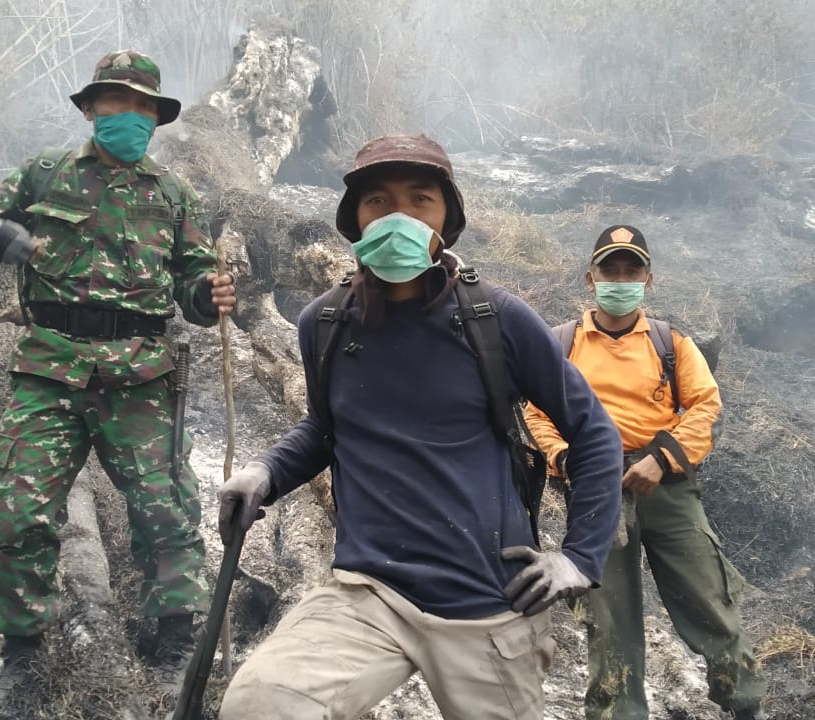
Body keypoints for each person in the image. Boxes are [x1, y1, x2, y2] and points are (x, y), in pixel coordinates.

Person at [216, 134, 623, 720]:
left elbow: (593, 432)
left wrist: (579, 557)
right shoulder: (324, 322)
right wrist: (265, 472)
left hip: (487, 600)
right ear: (355, 219)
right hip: (366, 592)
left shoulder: (495, 319)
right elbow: (326, 430)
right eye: (378, 201)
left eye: (420, 200)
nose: (398, 216)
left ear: (446, 221)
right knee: (259, 705)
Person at [0, 50, 237, 709]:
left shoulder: (174, 194)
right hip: (49, 369)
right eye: (117, 101)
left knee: (166, 509)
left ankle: (173, 645)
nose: (130, 115)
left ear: (156, 119)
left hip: (140, 376)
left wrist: (208, 295)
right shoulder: (44, 175)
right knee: (18, 512)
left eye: (143, 106)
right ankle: (21, 655)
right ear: (90, 109)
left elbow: (193, 280)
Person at [524, 225, 767, 720]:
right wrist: (566, 459)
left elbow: (705, 406)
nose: (620, 280)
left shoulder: (670, 343)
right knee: (609, 621)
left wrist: (662, 457)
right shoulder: (561, 343)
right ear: (590, 278)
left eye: (630, 271)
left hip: (667, 488)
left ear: (648, 280)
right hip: (595, 494)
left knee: (710, 602)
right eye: (609, 270)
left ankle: (745, 705)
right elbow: (536, 412)